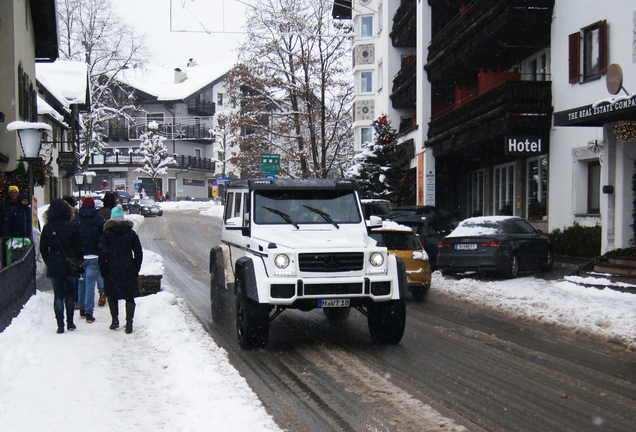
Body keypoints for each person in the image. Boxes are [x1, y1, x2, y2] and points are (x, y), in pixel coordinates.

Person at [40, 199, 83, 334]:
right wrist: (78, 261)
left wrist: (49, 261)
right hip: (70, 263)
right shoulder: (72, 226)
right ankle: (70, 322)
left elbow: (43, 249)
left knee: (58, 295)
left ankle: (60, 324)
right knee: (70, 294)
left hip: (54, 263)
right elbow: (79, 247)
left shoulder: (48, 227)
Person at [99, 206, 143, 334]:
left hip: (112, 268)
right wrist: (136, 267)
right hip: (128, 268)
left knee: (112, 295)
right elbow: (138, 252)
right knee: (129, 296)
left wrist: (103, 269)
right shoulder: (131, 233)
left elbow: (102, 253)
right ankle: (129, 323)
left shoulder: (106, 234)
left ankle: (115, 321)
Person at [72, 197, 106, 323]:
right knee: (90, 284)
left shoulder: (77, 219)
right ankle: (88, 313)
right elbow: (103, 238)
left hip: (80, 256)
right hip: (94, 256)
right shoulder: (99, 220)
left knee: (81, 283)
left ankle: (81, 308)